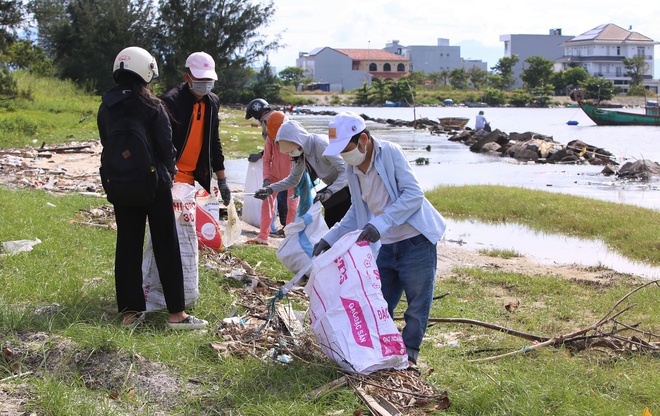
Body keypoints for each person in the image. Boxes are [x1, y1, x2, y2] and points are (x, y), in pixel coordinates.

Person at [311, 111, 447, 368]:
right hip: (386, 243)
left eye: (346, 148)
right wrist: (329, 238)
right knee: (380, 301)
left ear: (363, 139)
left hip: (416, 240)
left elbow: (413, 194)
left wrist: (381, 223)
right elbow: (356, 210)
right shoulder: (353, 169)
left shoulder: (390, 153)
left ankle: (410, 356)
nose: (344, 156)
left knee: (417, 304)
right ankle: (384, 350)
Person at [97, 46, 207, 329]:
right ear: (145, 70)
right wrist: (167, 177)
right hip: (154, 185)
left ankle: (130, 314)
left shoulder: (106, 105)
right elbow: (166, 150)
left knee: (127, 247)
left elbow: (106, 142)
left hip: (120, 185)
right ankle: (176, 315)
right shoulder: (152, 105)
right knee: (166, 246)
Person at [160, 51, 230, 205]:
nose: (205, 83)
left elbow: (214, 141)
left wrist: (222, 180)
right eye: (200, 78)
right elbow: (163, 143)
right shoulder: (171, 101)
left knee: (191, 227)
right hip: (172, 176)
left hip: (196, 177)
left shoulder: (212, 102)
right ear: (187, 77)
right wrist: (167, 174)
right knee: (171, 227)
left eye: (208, 79)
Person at [254, 119, 350, 228]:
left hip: (350, 187)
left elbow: (346, 171)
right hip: (335, 191)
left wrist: (329, 191)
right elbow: (293, 180)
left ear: (298, 140)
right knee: (330, 226)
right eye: (289, 152)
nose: (291, 154)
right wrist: (269, 189)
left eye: (291, 150)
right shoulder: (299, 154)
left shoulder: (321, 144)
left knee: (346, 227)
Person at [245, 110, 299, 245]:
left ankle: (289, 236)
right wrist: (266, 180)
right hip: (274, 176)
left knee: (292, 206)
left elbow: (301, 160)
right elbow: (266, 159)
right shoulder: (270, 137)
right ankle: (263, 236)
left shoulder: (295, 136)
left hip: (293, 177)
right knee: (267, 204)